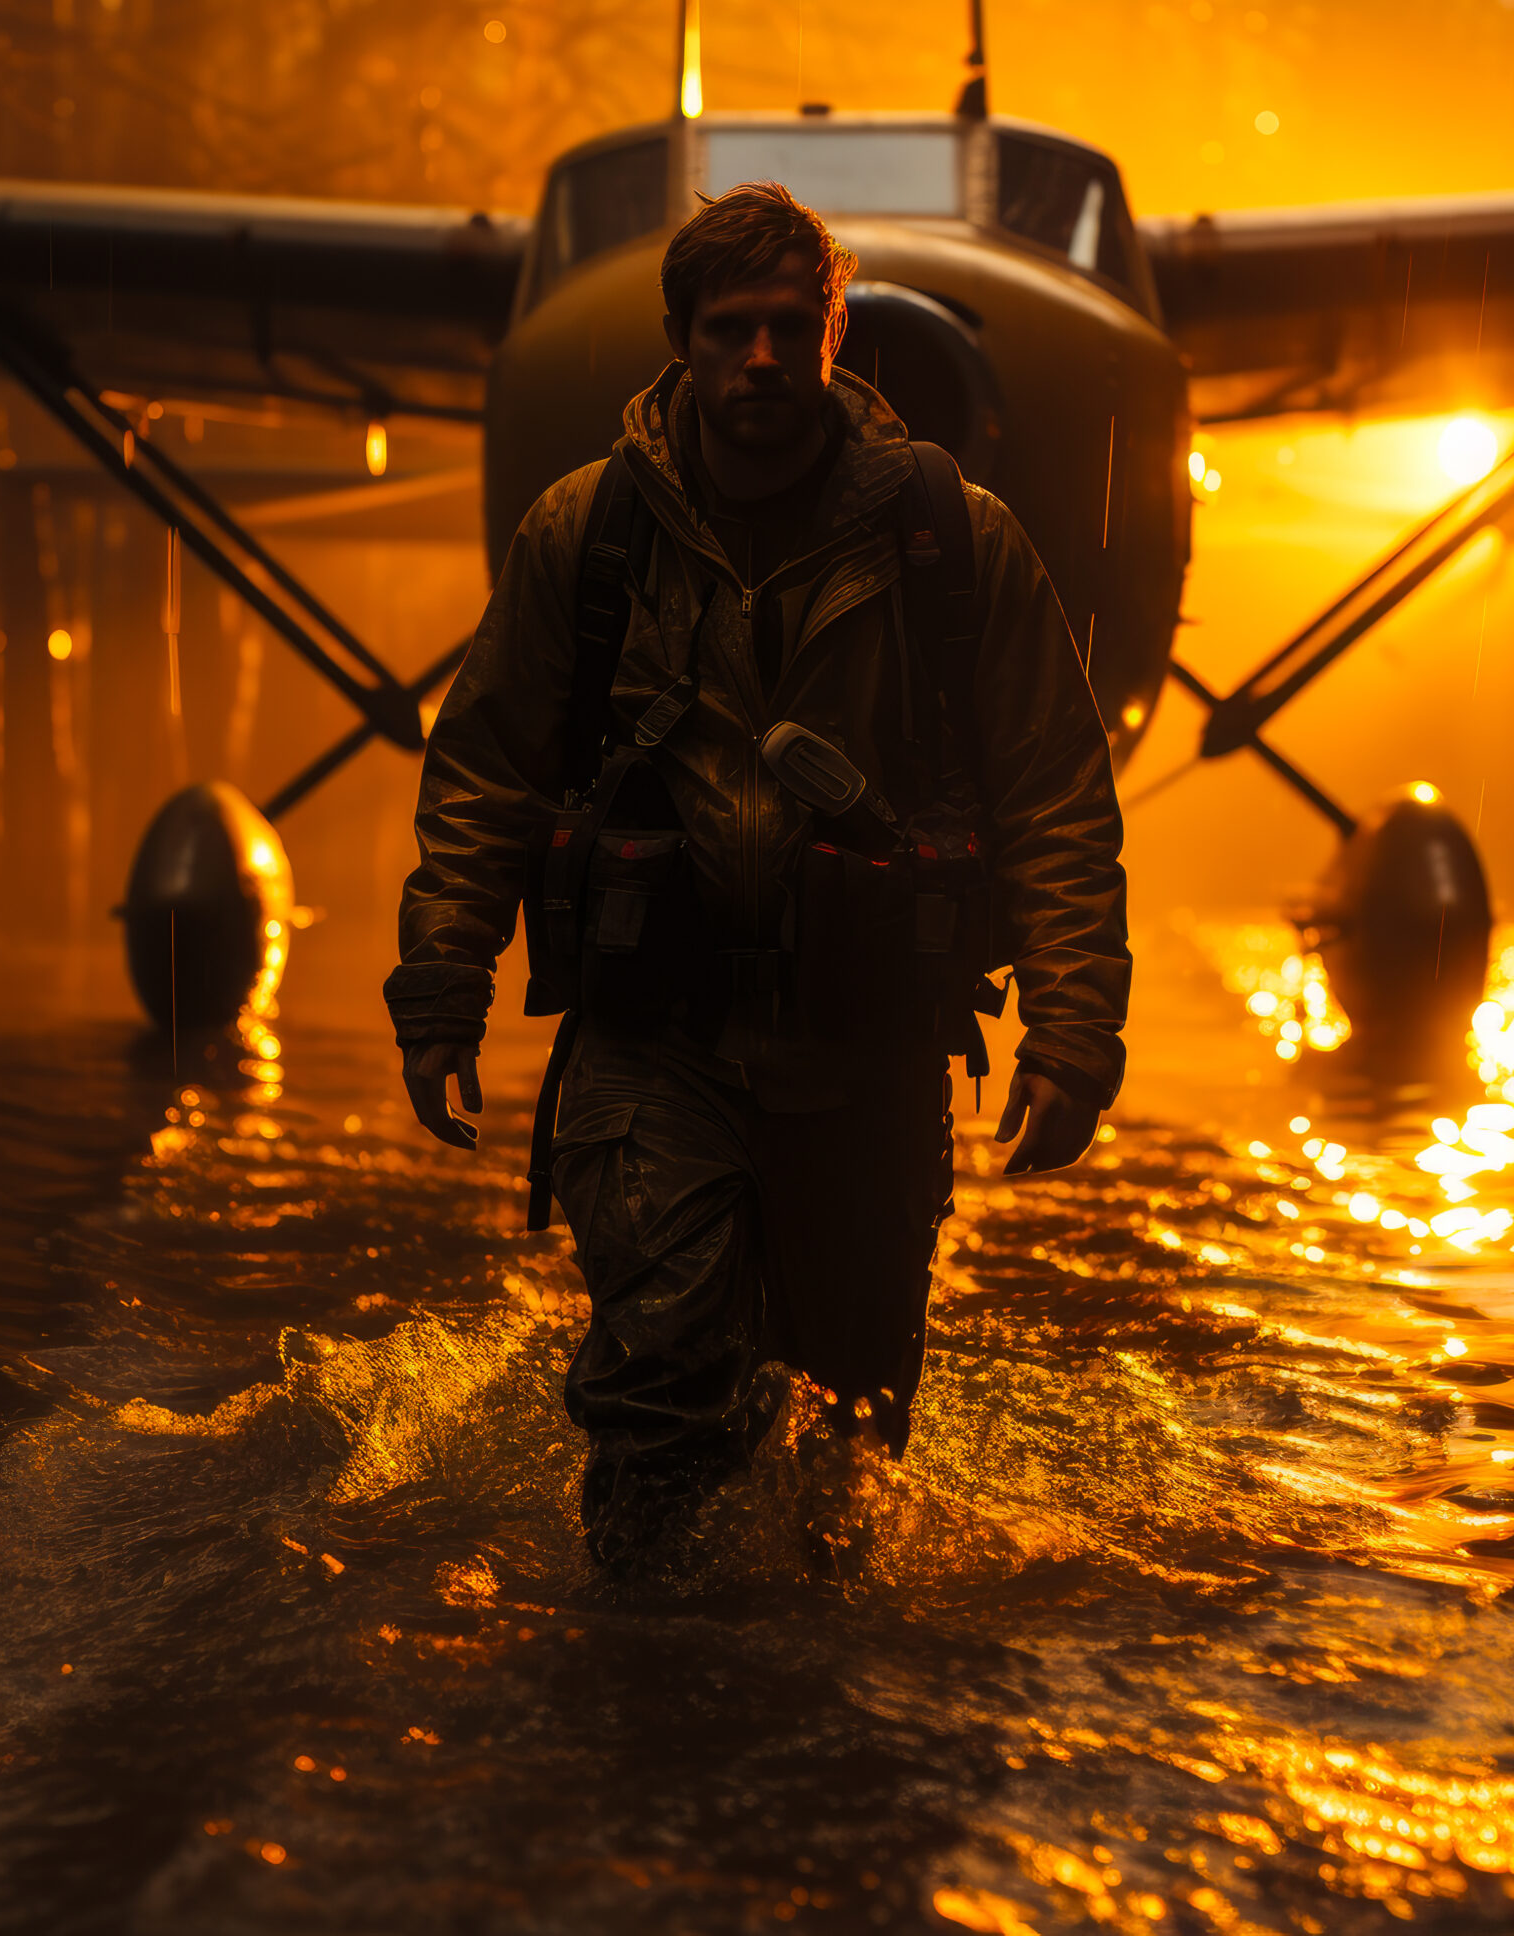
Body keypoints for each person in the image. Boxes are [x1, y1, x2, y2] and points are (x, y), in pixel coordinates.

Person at [386, 182, 1129, 1567]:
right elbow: (485, 768)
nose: (766, 360)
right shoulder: (582, 534)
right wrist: (442, 987)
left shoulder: (958, 543)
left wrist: (1075, 1033)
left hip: (870, 1049)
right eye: (733, 330)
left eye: (796, 326)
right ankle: (648, 1688)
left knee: (852, 1432)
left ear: (839, 336)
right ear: (683, 342)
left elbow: (1056, 800)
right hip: (653, 1042)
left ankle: (814, 1705)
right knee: (661, 1389)